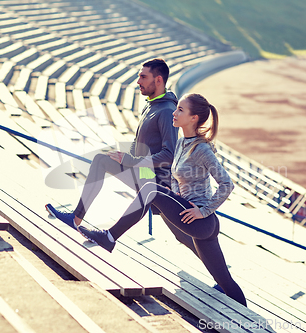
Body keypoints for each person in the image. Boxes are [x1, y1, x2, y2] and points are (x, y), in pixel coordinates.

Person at [78, 93, 248, 307]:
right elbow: (176, 173)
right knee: (226, 284)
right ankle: (253, 324)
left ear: (194, 118)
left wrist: (203, 211)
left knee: (151, 189)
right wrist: (175, 192)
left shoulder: (201, 149)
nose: (174, 114)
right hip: (193, 218)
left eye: (180, 110)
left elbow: (227, 184)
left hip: (201, 221)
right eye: (176, 109)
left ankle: (109, 237)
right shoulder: (181, 143)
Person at [46, 58, 178, 227]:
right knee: (102, 160)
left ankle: (78, 219)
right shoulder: (151, 105)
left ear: (158, 80)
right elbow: (139, 141)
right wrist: (128, 157)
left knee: (101, 161)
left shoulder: (167, 111)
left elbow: (170, 154)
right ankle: (78, 219)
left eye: (143, 77)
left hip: (154, 179)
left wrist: (130, 161)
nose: (138, 81)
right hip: (143, 171)